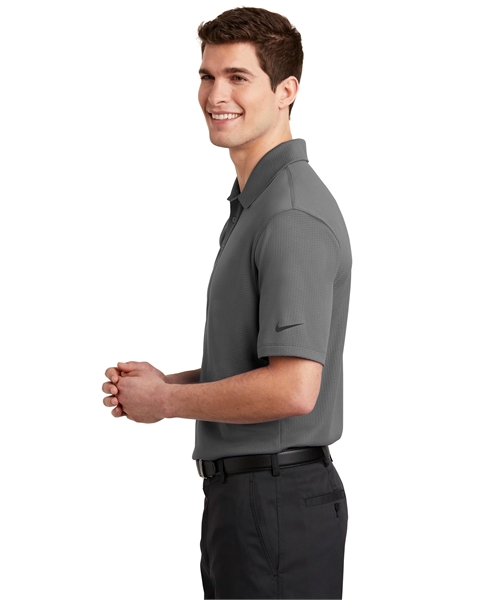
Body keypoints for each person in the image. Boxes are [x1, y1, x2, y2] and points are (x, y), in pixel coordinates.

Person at [102, 7, 352, 599]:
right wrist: (167, 383)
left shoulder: (289, 214)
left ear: (286, 91)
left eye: (238, 77)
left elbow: (293, 388)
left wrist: (167, 402)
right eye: (207, 75)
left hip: (274, 502)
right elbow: (261, 366)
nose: (216, 95)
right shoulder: (256, 204)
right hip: (248, 502)